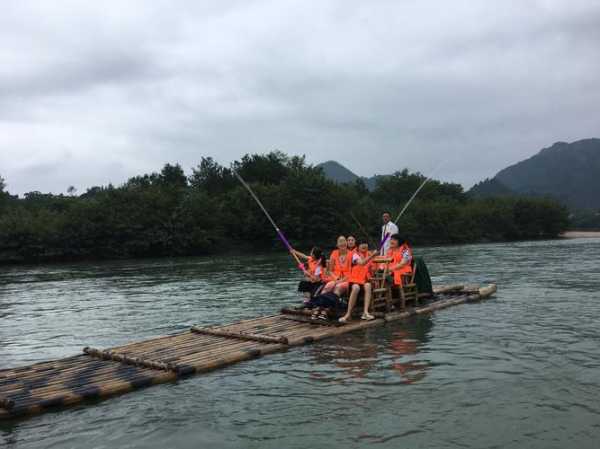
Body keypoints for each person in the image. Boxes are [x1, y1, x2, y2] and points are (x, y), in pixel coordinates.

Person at [339, 240, 377, 323]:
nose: (364, 246)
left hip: (364, 280)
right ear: (358, 246)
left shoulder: (369, 254)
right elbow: (362, 263)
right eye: (362, 244)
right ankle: (348, 314)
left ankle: (365, 312)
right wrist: (372, 256)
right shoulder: (355, 255)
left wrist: (375, 256)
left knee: (368, 285)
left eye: (365, 244)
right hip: (354, 281)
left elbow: (374, 267)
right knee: (356, 288)